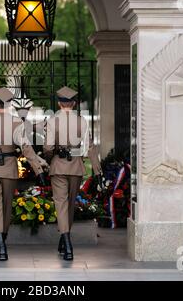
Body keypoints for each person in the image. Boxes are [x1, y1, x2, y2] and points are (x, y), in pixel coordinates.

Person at [0, 88, 46, 261]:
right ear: (10, 104)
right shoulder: (17, 123)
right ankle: (2, 240)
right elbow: (26, 148)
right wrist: (38, 170)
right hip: (10, 169)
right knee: (6, 207)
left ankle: (1, 245)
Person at [43, 86, 102, 261]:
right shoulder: (81, 121)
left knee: (61, 204)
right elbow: (90, 147)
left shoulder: (53, 121)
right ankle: (65, 242)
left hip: (59, 167)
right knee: (69, 205)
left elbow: (47, 147)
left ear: (59, 103)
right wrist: (97, 169)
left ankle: (66, 244)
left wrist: (49, 158)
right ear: (74, 103)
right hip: (76, 167)